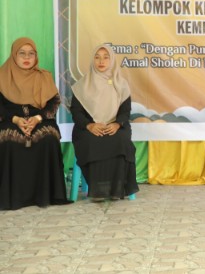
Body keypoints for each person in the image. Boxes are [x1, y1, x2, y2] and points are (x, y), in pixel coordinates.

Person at [0, 37, 69, 210]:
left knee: (48, 138)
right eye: (22, 53)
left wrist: (38, 118)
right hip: (9, 119)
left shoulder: (44, 76)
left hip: (40, 119)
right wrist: (15, 119)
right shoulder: (2, 75)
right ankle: (10, 197)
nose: (27, 57)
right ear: (14, 55)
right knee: (8, 140)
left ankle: (46, 195)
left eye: (31, 53)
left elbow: (54, 102)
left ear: (36, 56)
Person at [70, 44, 138, 202]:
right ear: (92, 60)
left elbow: (125, 111)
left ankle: (116, 190)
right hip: (87, 127)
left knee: (120, 140)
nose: (101, 61)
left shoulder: (121, 84)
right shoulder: (82, 85)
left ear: (112, 60)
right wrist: (90, 126)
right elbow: (76, 112)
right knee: (92, 141)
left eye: (106, 57)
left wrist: (117, 124)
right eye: (97, 57)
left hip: (116, 126)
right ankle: (98, 190)